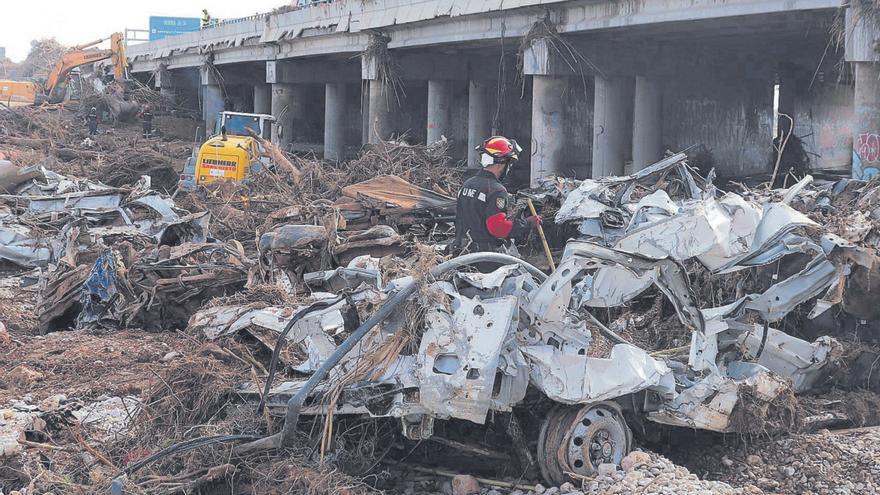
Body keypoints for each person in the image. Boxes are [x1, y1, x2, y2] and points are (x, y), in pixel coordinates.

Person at [453, 136, 542, 254]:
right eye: (509, 164)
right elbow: (498, 229)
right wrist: (528, 223)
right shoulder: (496, 190)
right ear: (501, 164)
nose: (509, 169)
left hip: (461, 251)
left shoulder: (467, 184)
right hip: (485, 258)